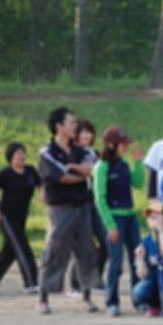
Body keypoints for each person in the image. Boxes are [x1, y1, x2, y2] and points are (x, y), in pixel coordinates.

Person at [37, 107, 99, 314]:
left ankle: (87, 296)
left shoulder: (83, 151)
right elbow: (61, 177)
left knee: (87, 251)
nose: (76, 126)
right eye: (71, 123)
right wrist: (80, 173)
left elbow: (92, 169)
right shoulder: (47, 152)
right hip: (60, 209)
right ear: (59, 126)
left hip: (83, 207)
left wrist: (73, 167)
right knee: (54, 251)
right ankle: (43, 297)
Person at [93, 126, 144, 317]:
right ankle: (112, 302)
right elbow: (99, 199)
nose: (125, 147)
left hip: (130, 216)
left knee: (137, 259)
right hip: (115, 218)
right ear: (110, 144)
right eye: (122, 144)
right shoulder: (102, 167)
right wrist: (110, 225)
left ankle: (139, 300)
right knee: (116, 262)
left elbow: (138, 182)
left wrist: (138, 162)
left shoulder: (123, 163)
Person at [0, 142, 41, 293]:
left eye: (23, 152)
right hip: (7, 216)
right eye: (18, 153)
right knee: (22, 247)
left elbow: (42, 185)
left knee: (10, 251)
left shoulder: (31, 171)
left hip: (22, 217)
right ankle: (31, 282)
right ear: (10, 156)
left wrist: (43, 194)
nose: (21, 156)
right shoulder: (5, 173)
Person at [67, 119, 107, 293]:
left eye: (89, 132)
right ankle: (75, 283)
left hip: (95, 202)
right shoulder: (71, 153)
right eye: (83, 132)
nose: (87, 135)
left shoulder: (96, 154)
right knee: (85, 245)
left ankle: (95, 279)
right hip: (78, 203)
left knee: (106, 242)